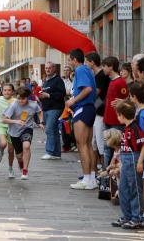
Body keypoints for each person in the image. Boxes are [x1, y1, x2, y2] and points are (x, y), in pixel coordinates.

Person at [111, 99, 144, 230]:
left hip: (133, 159)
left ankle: (137, 218)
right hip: (126, 160)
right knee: (123, 189)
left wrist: (140, 161)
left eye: (117, 114)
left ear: (121, 115)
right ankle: (127, 215)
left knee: (134, 189)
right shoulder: (127, 128)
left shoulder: (134, 128)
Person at [65, 48, 97, 190]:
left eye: (69, 60)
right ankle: (91, 177)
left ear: (75, 60)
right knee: (88, 144)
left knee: (82, 144)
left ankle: (87, 179)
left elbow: (87, 89)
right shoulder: (87, 70)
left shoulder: (80, 70)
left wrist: (73, 100)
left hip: (83, 107)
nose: (68, 63)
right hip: (88, 107)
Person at [2, 87, 45, 180]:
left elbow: (40, 111)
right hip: (14, 132)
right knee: (19, 155)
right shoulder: (13, 105)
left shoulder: (33, 105)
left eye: (23, 98)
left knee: (26, 146)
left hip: (27, 128)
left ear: (27, 97)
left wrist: (41, 122)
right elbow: (4, 120)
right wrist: (16, 121)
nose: (21, 101)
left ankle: (25, 170)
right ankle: (20, 162)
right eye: (18, 98)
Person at [129, 81, 144, 223]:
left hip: (143, 154)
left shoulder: (142, 114)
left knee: (141, 183)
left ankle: (143, 212)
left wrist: (141, 158)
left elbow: (142, 136)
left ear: (135, 97)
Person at [84, 51, 110, 172]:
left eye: (86, 62)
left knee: (100, 143)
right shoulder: (95, 75)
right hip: (96, 111)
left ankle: (104, 170)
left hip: (101, 111)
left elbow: (96, 93)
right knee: (93, 142)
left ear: (92, 62)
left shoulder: (101, 76)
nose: (85, 64)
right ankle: (94, 169)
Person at [102, 56, 129, 167]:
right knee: (106, 146)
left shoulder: (120, 82)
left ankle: (110, 170)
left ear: (111, 67)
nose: (103, 68)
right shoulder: (112, 81)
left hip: (116, 121)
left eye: (104, 66)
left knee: (114, 146)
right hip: (108, 118)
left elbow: (126, 100)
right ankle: (106, 169)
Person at [39, 61, 66, 160]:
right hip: (47, 108)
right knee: (54, 131)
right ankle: (56, 153)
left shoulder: (58, 80)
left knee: (49, 130)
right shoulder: (46, 80)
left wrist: (48, 95)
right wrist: (41, 96)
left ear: (54, 69)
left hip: (55, 108)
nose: (47, 70)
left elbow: (61, 93)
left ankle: (50, 151)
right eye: (46, 68)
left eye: (49, 68)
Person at [0, 83, 16, 178]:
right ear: (2, 91)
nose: (7, 92)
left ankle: (10, 168)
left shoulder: (15, 101)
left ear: (13, 92)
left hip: (12, 127)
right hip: (1, 125)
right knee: (3, 143)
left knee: (11, 150)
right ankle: (1, 152)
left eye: (9, 90)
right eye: (5, 90)